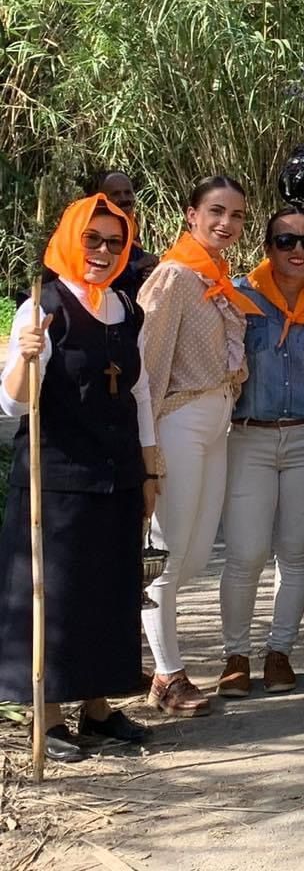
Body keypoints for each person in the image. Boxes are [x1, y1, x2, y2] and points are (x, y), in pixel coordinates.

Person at [0, 195, 156, 761]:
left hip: (116, 473)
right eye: (93, 239)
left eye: (115, 242)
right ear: (71, 238)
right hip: (57, 479)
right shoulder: (42, 307)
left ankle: (95, 707)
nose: (103, 252)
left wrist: (149, 466)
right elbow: (12, 406)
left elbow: (139, 394)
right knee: (58, 597)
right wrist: (25, 355)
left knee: (107, 592)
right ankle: (48, 716)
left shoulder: (126, 307)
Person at [137, 176, 258, 718]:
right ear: (190, 214)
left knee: (195, 550)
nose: (225, 223)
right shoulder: (173, 277)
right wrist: (146, 447)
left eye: (235, 215)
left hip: (217, 417)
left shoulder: (216, 277)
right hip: (179, 417)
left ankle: (133, 633)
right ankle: (168, 674)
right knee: (169, 552)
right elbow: (149, 365)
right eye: (215, 211)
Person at [217, 208, 304, 698]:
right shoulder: (238, 296)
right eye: (285, 241)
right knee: (245, 553)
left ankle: (279, 652)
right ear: (267, 246)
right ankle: (235, 656)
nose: (297, 251)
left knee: (296, 554)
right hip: (248, 435)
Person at [91, 170, 159, 299]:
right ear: (103, 198)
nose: (124, 199)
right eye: (116, 194)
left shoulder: (133, 228)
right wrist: (138, 265)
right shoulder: (94, 231)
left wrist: (150, 270)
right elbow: (97, 273)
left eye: (128, 193)